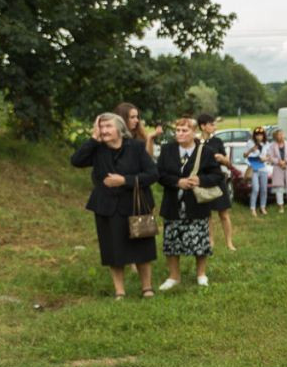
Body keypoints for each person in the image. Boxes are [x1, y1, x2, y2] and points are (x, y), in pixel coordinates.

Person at [70, 113, 158, 299]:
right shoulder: (97, 149)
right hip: (107, 206)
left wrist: (125, 180)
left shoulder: (136, 147)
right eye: (101, 127)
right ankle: (120, 291)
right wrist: (93, 139)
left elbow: (152, 174)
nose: (104, 130)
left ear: (120, 128)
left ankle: (147, 288)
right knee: (113, 249)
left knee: (142, 248)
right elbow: (76, 161)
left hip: (136, 204)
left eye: (108, 126)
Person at [156, 118, 223, 289]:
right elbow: (159, 175)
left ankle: (201, 274)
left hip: (197, 205)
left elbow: (217, 175)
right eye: (177, 130)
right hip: (173, 203)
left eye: (184, 130)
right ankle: (173, 276)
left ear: (194, 132)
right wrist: (177, 182)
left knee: (200, 241)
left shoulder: (205, 151)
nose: (180, 133)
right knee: (171, 242)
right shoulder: (167, 150)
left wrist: (200, 179)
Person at [197, 113, 236, 250]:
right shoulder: (196, 142)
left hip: (218, 180)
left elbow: (228, 163)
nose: (215, 126)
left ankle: (229, 243)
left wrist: (222, 159)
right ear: (203, 126)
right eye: (212, 124)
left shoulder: (217, 142)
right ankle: (210, 242)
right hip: (203, 181)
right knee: (207, 215)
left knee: (224, 214)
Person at [266, 128, 287, 213]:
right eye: (279, 135)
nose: (281, 136)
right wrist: (279, 162)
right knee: (279, 188)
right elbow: (270, 157)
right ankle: (280, 206)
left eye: (282, 134)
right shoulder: (272, 146)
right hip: (278, 167)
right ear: (275, 136)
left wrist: (286, 161)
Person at [245, 127, 270, 216]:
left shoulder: (266, 144)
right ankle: (253, 208)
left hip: (263, 168)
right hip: (254, 168)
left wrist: (265, 159)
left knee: (264, 189)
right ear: (254, 136)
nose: (259, 137)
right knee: (255, 189)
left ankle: (263, 207)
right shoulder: (250, 143)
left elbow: (269, 155)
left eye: (261, 135)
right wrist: (251, 150)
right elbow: (245, 155)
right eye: (257, 135)